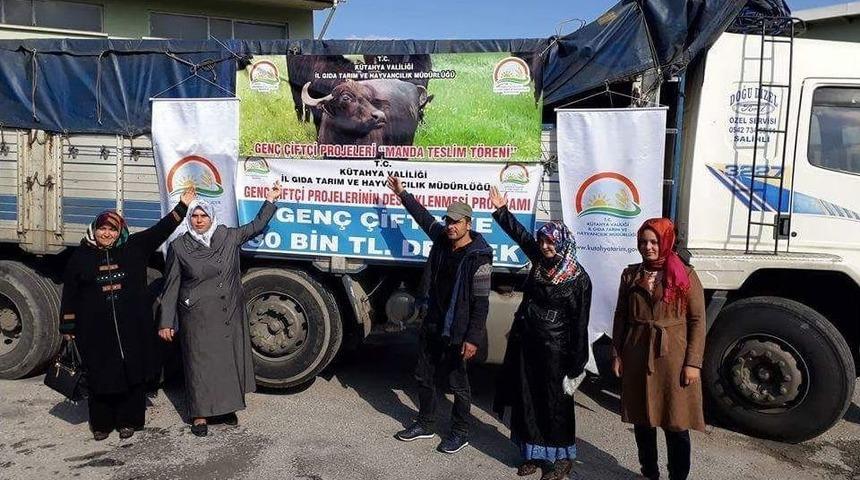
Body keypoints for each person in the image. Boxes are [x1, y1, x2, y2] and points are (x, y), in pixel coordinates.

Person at [59, 186, 195, 441]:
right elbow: (70, 294)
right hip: (95, 332)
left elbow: (161, 230)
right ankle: (101, 423)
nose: (107, 233)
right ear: (94, 230)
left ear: (120, 231)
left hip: (132, 328)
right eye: (102, 229)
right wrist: (68, 328)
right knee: (100, 375)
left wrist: (183, 206)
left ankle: (128, 421)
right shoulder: (81, 256)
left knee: (131, 374)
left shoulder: (134, 247)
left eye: (112, 229)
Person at [158, 182, 281, 437]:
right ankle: (200, 414)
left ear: (211, 216)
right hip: (197, 316)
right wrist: (166, 322)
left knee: (226, 362)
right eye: (195, 215)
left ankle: (226, 408)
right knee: (199, 365)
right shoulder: (180, 246)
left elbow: (255, 227)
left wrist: (270, 200)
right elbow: (171, 287)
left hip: (227, 313)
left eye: (203, 215)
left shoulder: (227, 236)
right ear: (189, 219)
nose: (199, 220)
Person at [489, 186, 592, 480]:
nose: (546, 246)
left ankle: (560, 460)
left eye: (551, 242)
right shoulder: (539, 262)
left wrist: (577, 363)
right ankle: (532, 454)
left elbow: (580, 322)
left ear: (562, 243)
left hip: (557, 350)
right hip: (528, 344)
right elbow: (520, 235)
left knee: (555, 403)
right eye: (543, 241)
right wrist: (501, 211)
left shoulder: (578, 278)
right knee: (526, 398)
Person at [388, 175, 493, 455]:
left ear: (468, 224)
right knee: (424, 376)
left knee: (458, 384)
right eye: (448, 221)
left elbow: (481, 303)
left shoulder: (479, 257)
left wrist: (472, 338)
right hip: (432, 322)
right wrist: (402, 193)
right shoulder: (442, 240)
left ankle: (460, 432)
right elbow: (423, 218)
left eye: (456, 222)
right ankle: (425, 423)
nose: (450, 226)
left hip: (457, 330)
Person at [610, 218, 706, 480]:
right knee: (642, 421)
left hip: (672, 357)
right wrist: (617, 353)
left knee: (675, 423)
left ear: (666, 241)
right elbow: (621, 316)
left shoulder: (684, 274)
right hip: (637, 353)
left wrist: (693, 363)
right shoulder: (631, 275)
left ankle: (677, 477)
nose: (648, 247)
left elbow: (697, 320)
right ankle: (649, 473)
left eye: (654, 241)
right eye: (643, 242)